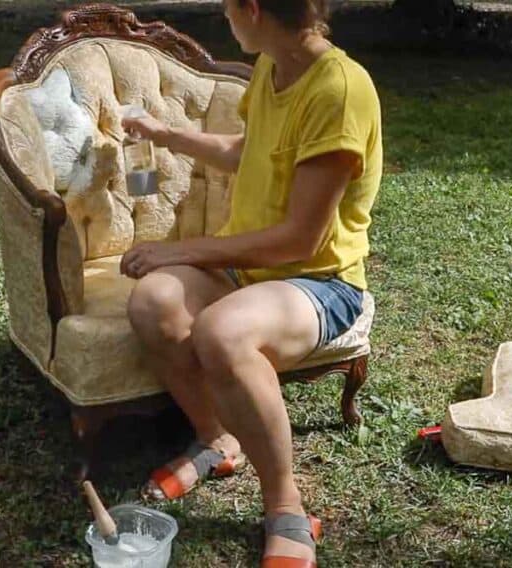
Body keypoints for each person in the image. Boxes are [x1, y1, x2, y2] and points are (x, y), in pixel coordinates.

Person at [120, 0, 382, 565]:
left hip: (323, 284)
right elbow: (248, 151)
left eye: (227, 6)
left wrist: (182, 249)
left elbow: (299, 241)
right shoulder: (273, 64)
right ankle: (217, 440)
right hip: (251, 274)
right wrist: (165, 134)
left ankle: (285, 503)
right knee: (154, 300)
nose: (225, 16)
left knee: (223, 332)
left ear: (254, 9)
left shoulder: (339, 91)